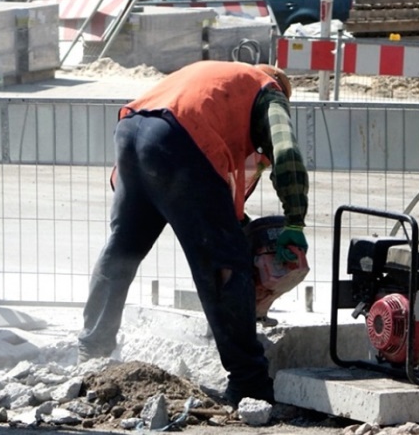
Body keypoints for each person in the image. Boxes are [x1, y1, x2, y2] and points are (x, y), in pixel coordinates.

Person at [78, 60, 309, 405]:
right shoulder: (269, 92)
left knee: (121, 251)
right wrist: (294, 220)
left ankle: (91, 355)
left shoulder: (219, 81)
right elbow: (286, 152)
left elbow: (219, 187)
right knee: (225, 266)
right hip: (181, 139)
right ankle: (249, 382)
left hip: (133, 132)